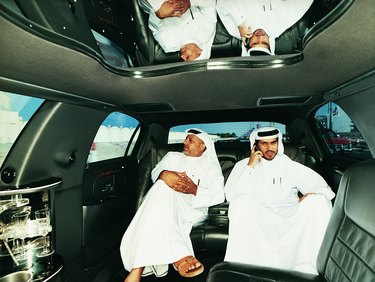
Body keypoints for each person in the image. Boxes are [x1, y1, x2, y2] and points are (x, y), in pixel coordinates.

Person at [224, 127, 335, 274]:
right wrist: (250, 166)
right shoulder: (243, 166)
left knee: (318, 202)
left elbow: (322, 187)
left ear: (278, 142)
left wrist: (311, 195)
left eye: (273, 143)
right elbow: (231, 195)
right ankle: (248, 271)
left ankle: (306, 268)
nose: (270, 148)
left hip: (289, 215)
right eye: (264, 144)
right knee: (239, 203)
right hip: (259, 218)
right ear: (255, 146)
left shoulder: (288, 164)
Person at [120, 128, 225, 281]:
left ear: (203, 146)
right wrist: (163, 175)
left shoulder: (211, 167)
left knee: (156, 209)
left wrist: (194, 189)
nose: (184, 142)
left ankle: (138, 268)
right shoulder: (172, 157)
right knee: (162, 188)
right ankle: (180, 256)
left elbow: (219, 195)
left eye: (190, 140)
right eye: (185, 139)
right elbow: (155, 174)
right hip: (165, 201)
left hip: (192, 208)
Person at [216, 0, 313, 56]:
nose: (260, 37)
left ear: (248, 43)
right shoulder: (278, 25)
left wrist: (240, 22)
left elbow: (220, 3)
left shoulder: (236, 30)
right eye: (265, 42)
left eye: (255, 43)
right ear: (270, 44)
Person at [138, 0, 217, 61]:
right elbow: (209, 4)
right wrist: (189, 2)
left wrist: (159, 15)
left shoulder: (169, 45)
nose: (182, 56)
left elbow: (155, 28)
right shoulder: (206, 32)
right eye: (188, 57)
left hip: (157, 5)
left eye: (183, 59)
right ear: (199, 52)